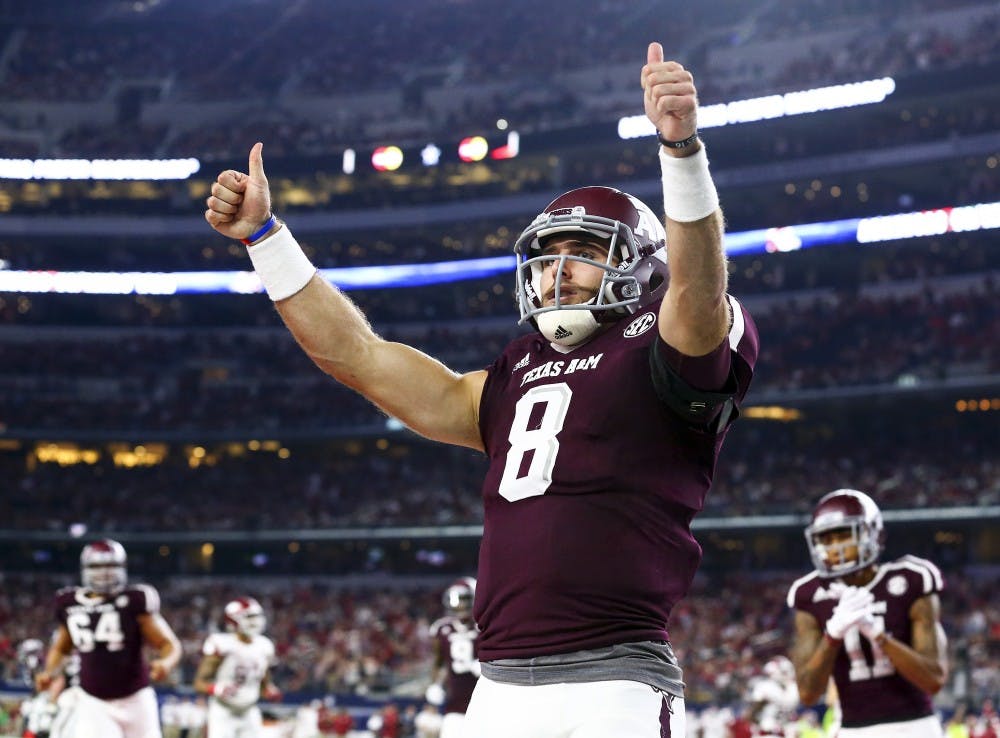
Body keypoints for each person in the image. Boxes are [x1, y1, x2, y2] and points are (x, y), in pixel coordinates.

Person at [204, 42, 758, 738]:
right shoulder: (515, 369)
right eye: (551, 253)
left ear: (637, 267)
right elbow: (359, 357)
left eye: (585, 253)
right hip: (494, 689)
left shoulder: (661, 342)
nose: (558, 270)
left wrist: (681, 152)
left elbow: (700, 293)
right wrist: (265, 237)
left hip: (611, 681)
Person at [787, 488, 948, 737]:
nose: (835, 548)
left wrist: (877, 633)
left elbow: (933, 679)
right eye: (826, 540)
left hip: (915, 725)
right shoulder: (809, 594)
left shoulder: (911, 579)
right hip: (854, 729)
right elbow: (808, 693)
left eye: (843, 535)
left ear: (873, 533)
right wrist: (833, 634)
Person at [34, 539, 182, 738]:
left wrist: (166, 663)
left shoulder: (134, 600)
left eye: (111, 565)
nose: (104, 572)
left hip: (136, 699)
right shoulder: (69, 604)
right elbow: (62, 648)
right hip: (94, 702)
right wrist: (50, 672)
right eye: (97, 566)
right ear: (85, 569)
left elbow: (168, 644)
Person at [193, 596, 281, 738]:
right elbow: (199, 683)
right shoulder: (221, 643)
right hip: (223, 712)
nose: (255, 621)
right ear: (234, 620)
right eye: (249, 617)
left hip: (249, 711)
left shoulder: (265, 645)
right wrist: (215, 688)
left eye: (257, 616)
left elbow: (263, 680)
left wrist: (269, 689)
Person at [425, 577, 480, 738]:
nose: (459, 605)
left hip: (485, 702)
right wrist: (435, 684)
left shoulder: (484, 627)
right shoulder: (442, 628)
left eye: (464, 599)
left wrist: (487, 666)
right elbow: (438, 662)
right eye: (456, 600)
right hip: (455, 704)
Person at [746, 655, 798, 737]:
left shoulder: (792, 688)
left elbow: (751, 714)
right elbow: (751, 714)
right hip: (771, 731)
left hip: (782, 730)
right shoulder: (766, 686)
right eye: (784, 672)